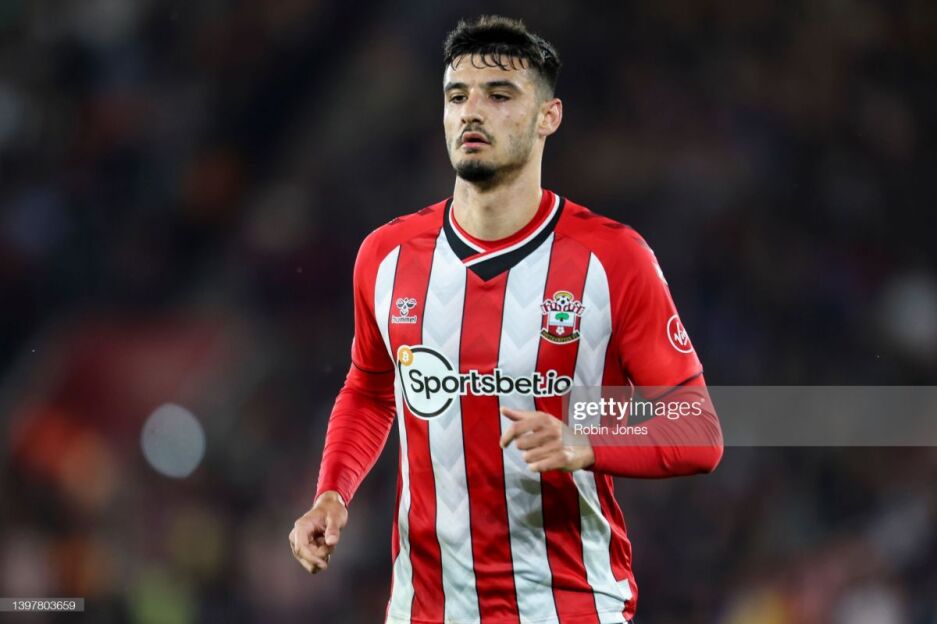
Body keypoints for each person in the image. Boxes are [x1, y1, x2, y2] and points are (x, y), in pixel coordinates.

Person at [290, 15, 723, 624]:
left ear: (549, 116)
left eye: (499, 96)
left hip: (569, 607)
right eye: (457, 97)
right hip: (426, 610)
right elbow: (369, 389)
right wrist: (333, 492)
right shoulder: (386, 257)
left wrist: (587, 439)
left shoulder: (613, 258)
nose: (472, 112)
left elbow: (697, 427)